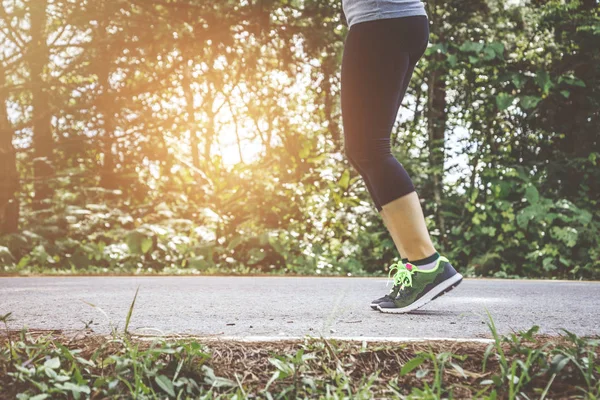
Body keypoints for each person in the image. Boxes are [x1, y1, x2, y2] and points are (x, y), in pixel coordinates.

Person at [340, 0, 463, 313]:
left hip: (380, 22)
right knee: (363, 150)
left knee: (370, 147)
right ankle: (416, 266)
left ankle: (426, 263)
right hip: (388, 21)